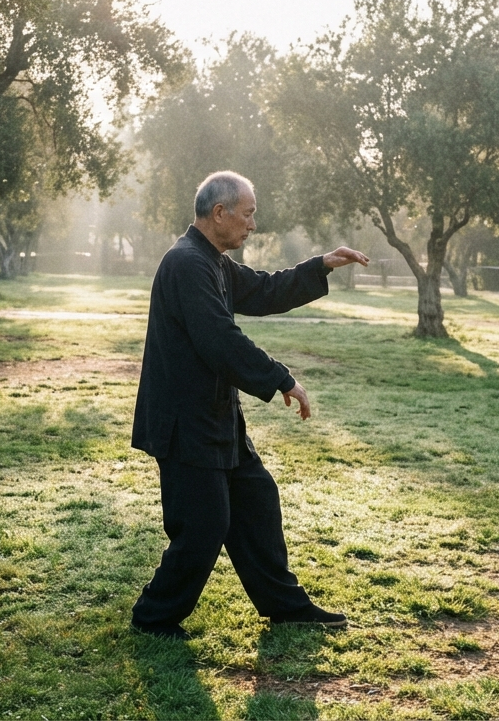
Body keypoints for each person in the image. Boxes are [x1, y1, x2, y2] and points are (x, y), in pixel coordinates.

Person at [129, 171, 370, 640]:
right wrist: (280, 378)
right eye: (248, 213)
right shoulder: (186, 264)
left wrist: (319, 265)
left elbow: (261, 290)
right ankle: (153, 618)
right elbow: (220, 340)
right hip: (185, 422)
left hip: (215, 417)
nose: (253, 224)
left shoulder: (213, 261)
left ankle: (285, 606)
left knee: (256, 500)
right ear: (219, 213)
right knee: (203, 525)